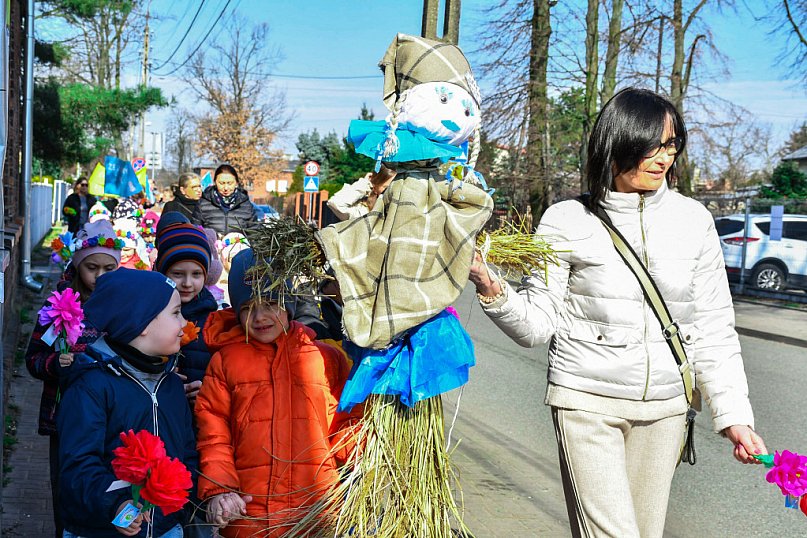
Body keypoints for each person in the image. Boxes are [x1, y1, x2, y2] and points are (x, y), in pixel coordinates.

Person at [468, 87, 767, 538]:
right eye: (650, 144)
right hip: (586, 403)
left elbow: (712, 328)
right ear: (617, 143)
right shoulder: (567, 219)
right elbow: (536, 326)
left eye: (670, 145)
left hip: (666, 410)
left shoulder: (694, 221)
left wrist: (734, 417)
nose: (662, 157)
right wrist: (491, 285)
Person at [194, 249, 360, 537]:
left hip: (315, 509)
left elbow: (346, 423)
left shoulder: (325, 358)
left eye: (271, 303)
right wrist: (220, 489)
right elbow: (214, 433)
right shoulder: (226, 362)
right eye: (248, 307)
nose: (260, 317)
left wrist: (363, 461)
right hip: (249, 511)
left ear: (289, 303)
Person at [58, 269, 197, 538]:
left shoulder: (170, 384)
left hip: (166, 529)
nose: (184, 323)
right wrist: (116, 505)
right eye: (175, 313)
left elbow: (186, 453)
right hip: (103, 530)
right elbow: (78, 466)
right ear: (142, 324)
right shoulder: (92, 386)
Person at [24, 220, 122, 537]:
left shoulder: (124, 305)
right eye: (92, 267)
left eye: (109, 268)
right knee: (67, 487)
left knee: (108, 487)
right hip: (64, 418)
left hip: (112, 416)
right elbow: (34, 358)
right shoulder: (59, 305)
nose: (100, 276)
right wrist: (56, 363)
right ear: (77, 265)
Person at [153, 223, 218, 405]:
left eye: (196, 274)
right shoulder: (150, 313)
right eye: (178, 274)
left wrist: (207, 389)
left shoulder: (212, 318)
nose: (188, 283)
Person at [192, 164, 257, 236]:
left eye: (229, 183)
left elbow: (254, 232)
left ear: (236, 183)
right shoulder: (203, 204)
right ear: (215, 182)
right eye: (221, 183)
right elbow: (196, 231)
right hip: (211, 246)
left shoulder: (246, 205)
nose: (226, 188)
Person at [326, 166, 396, 221]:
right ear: (375, 185)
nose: (393, 191)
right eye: (386, 187)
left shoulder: (400, 208)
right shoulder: (363, 210)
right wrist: (365, 184)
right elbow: (335, 203)